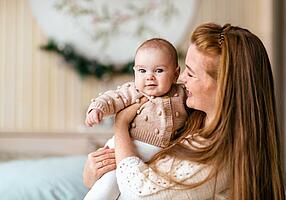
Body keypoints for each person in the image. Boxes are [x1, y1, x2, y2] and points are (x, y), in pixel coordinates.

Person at [83, 23, 285, 199]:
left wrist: (121, 126)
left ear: (224, 87)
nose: (181, 80)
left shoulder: (219, 157)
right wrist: (95, 177)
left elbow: (139, 193)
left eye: (190, 73)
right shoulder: (189, 120)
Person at [84, 38, 188, 200]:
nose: (149, 77)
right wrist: (97, 109)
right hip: (123, 149)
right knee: (106, 189)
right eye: (142, 71)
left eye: (159, 71)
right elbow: (111, 98)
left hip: (155, 158)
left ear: (175, 74)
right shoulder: (133, 91)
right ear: (134, 72)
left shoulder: (182, 94)